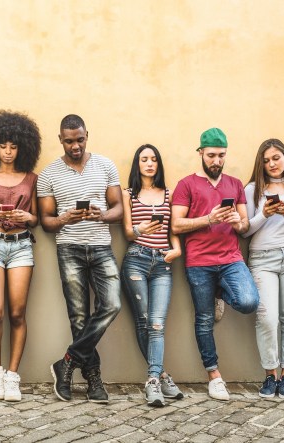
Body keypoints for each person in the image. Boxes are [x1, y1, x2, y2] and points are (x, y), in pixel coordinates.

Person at [38, 114, 123, 403]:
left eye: (80, 139)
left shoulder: (106, 165)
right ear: (60, 139)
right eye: (69, 141)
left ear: (88, 135)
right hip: (69, 248)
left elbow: (118, 209)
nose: (75, 146)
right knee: (78, 317)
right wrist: (64, 218)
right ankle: (93, 380)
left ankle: (67, 361)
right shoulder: (49, 174)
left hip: (101, 246)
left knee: (111, 304)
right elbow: (46, 221)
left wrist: (102, 214)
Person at [171, 127, 259, 401]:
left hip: (231, 259)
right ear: (200, 153)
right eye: (211, 155)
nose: (216, 161)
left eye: (221, 156)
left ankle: (220, 293)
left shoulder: (234, 184)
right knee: (204, 319)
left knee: (248, 302)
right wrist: (208, 219)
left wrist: (237, 222)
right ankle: (214, 376)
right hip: (199, 263)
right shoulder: (186, 185)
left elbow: (244, 226)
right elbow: (176, 224)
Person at [0, 110, 42, 402]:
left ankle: (13, 375)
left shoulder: (31, 178)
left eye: (14, 145)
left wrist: (27, 216)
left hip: (21, 246)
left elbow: (37, 218)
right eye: (3, 145)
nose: (8, 151)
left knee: (17, 313)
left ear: (23, 147)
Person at [243, 138, 284, 399]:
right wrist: (265, 214)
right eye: (267, 160)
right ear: (261, 163)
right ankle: (270, 374)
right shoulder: (252, 189)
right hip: (262, 259)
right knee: (266, 318)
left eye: (276, 158)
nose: (272, 163)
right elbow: (246, 229)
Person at [120, 144, 184, 407]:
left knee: (156, 324)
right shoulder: (128, 194)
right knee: (145, 320)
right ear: (137, 164)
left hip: (162, 263)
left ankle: (154, 380)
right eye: (144, 159)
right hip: (136, 258)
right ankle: (160, 378)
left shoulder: (169, 194)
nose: (149, 164)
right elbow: (126, 232)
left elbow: (173, 230)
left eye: (154, 159)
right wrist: (140, 228)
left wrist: (177, 249)